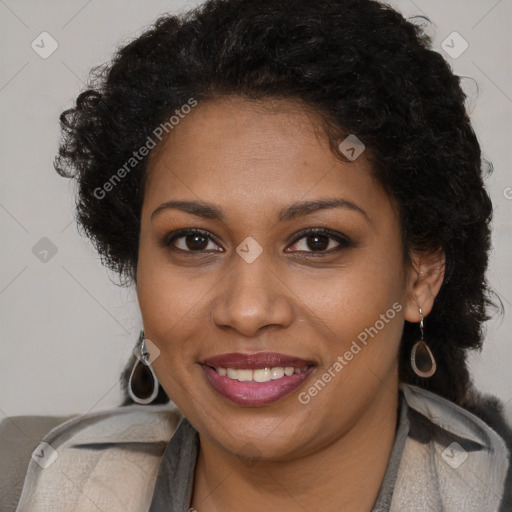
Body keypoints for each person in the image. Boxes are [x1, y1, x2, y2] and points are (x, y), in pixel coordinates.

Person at [6, 0, 511, 510]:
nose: (246, 311)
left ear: (420, 275)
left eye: (317, 241)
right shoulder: (25, 479)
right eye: (194, 241)